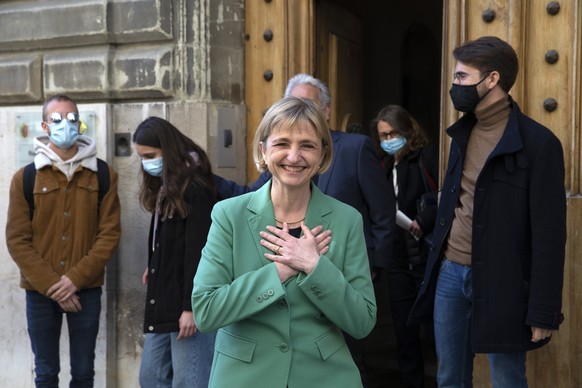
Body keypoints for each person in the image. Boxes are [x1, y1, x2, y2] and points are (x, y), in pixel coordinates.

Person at [214, 74, 395, 385]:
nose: (294, 156)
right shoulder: (229, 215)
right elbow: (206, 310)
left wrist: (314, 267)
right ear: (264, 149)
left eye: (307, 145)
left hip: (323, 376)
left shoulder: (347, 220)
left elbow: (362, 322)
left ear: (323, 153)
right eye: (282, 143)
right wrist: (280, 272)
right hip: (245, 376)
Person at [409, 36, 567, 387]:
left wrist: (543, 310)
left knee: (507, 380)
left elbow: (549, 237)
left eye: (463, 77)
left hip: (505, 282)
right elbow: (458, 199)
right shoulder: (462, 133)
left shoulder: (540, 145)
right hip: (450, 274)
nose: (455, 85)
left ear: (492, 79)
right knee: (449, 377)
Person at [5, 94, 121, 386]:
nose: (65, 125)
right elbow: (17, 239)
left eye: (71, 118)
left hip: (86, 289)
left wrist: (74, 280)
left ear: (80, 124)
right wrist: (54, 286)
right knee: (45, 372)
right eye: (57, 119)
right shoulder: (26, 178)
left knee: (84, 372)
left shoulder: (103, 175)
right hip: (39, 292)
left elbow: (109, 234)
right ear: (45, 125)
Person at [133, 117, 217, 388]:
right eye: (142, 157)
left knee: (189, 380)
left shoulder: (195, 187)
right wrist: (156, 263)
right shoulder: (165, 185)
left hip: (187, 303)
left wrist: (191, 307)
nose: (146, 162)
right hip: (165, 296)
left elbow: (199, 250)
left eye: (150, 156)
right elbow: (170, 238)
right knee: (151, 376)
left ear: (167, 150)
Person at [372, 105, 438, 388]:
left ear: (407, 131)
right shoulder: (384, 166)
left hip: (426, 256)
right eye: (383, 136)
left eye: (393, 133)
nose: (388, 140)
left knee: (436, 332)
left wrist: (423, 220)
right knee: (404, 333)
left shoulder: (425, 158)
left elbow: (444, 194)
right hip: (399, 258)